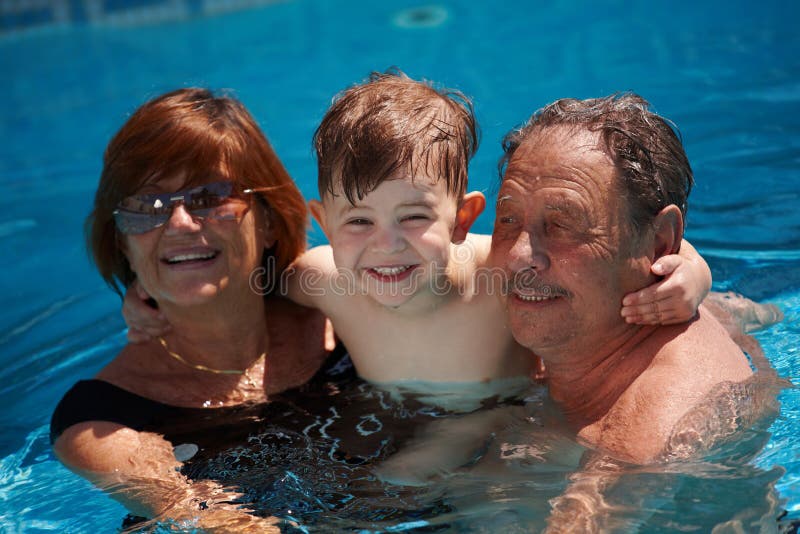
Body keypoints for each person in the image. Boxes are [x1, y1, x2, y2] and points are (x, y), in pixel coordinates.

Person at [125, 71, 713, 397]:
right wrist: (147, 295)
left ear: (462, 219)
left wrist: (690, 270)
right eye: (358, 222)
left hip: (500, 420)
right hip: (394, 420)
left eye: (413, 217)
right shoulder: (323, 279)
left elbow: (619, 252)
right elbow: (232, 280)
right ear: (323, 224)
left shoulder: (494, 274)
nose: (386, 244)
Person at [488, 93, 784, 530]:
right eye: (508, 220)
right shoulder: (685, 305)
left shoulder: (646, 434)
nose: (518, 257)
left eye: (562, 226)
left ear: (660, 243)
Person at [49, 88, 337, 530]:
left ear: (267, 220)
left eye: (210, 197)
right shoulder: (100, 421)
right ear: (123, 244)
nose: (180, 223)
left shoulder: (344, 321)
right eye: (146, 206)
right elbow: (222, 523)